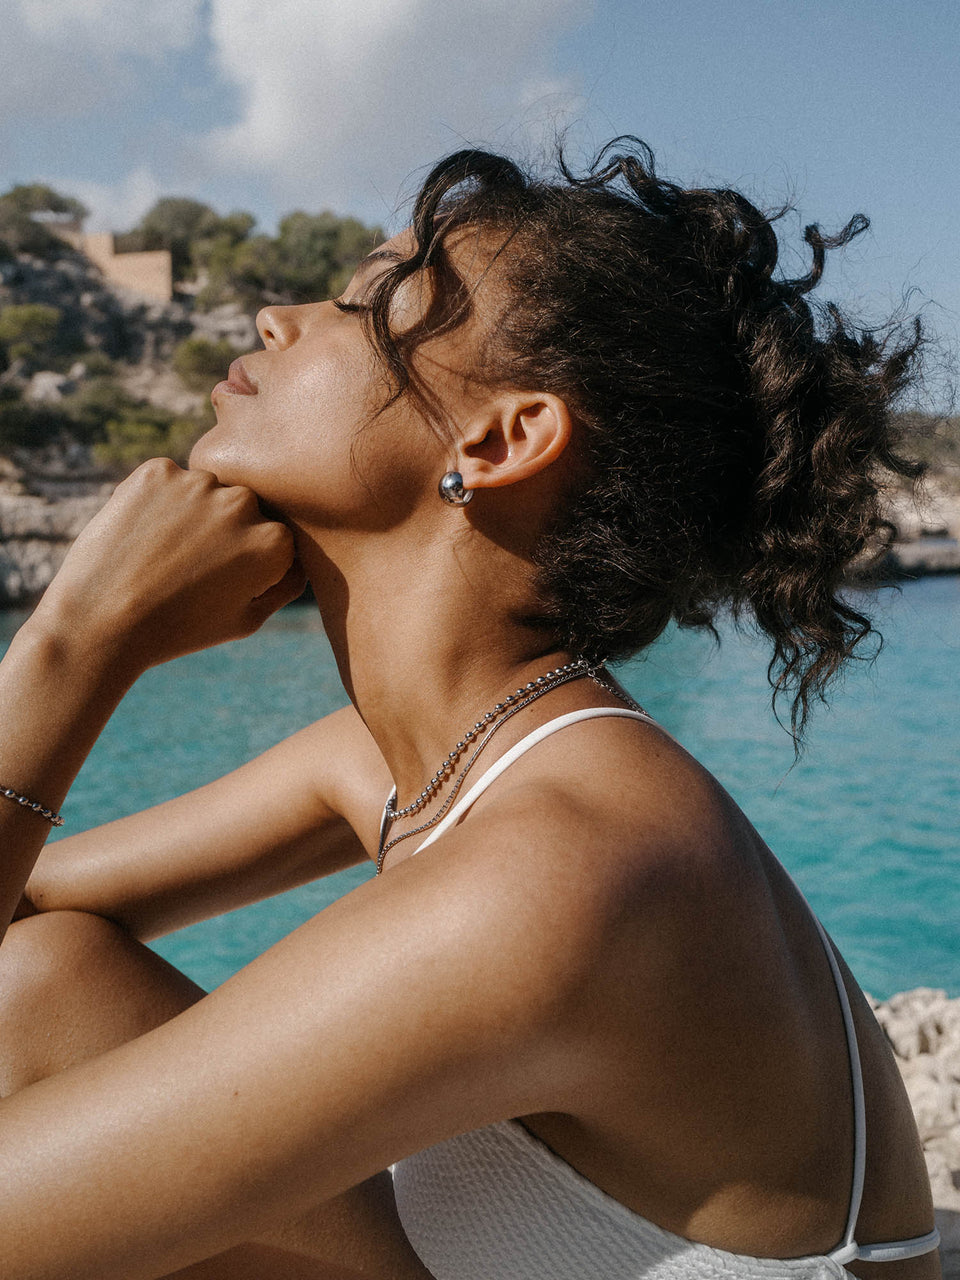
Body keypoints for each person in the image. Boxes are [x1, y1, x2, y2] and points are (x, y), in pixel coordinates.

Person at [0, 139, 942, 1280]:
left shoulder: (559, 867)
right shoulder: (442, 758)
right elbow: (20, 909)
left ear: (500, 440)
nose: (274, 318)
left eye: (368, 304)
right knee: (42, 980)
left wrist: (76, 644)